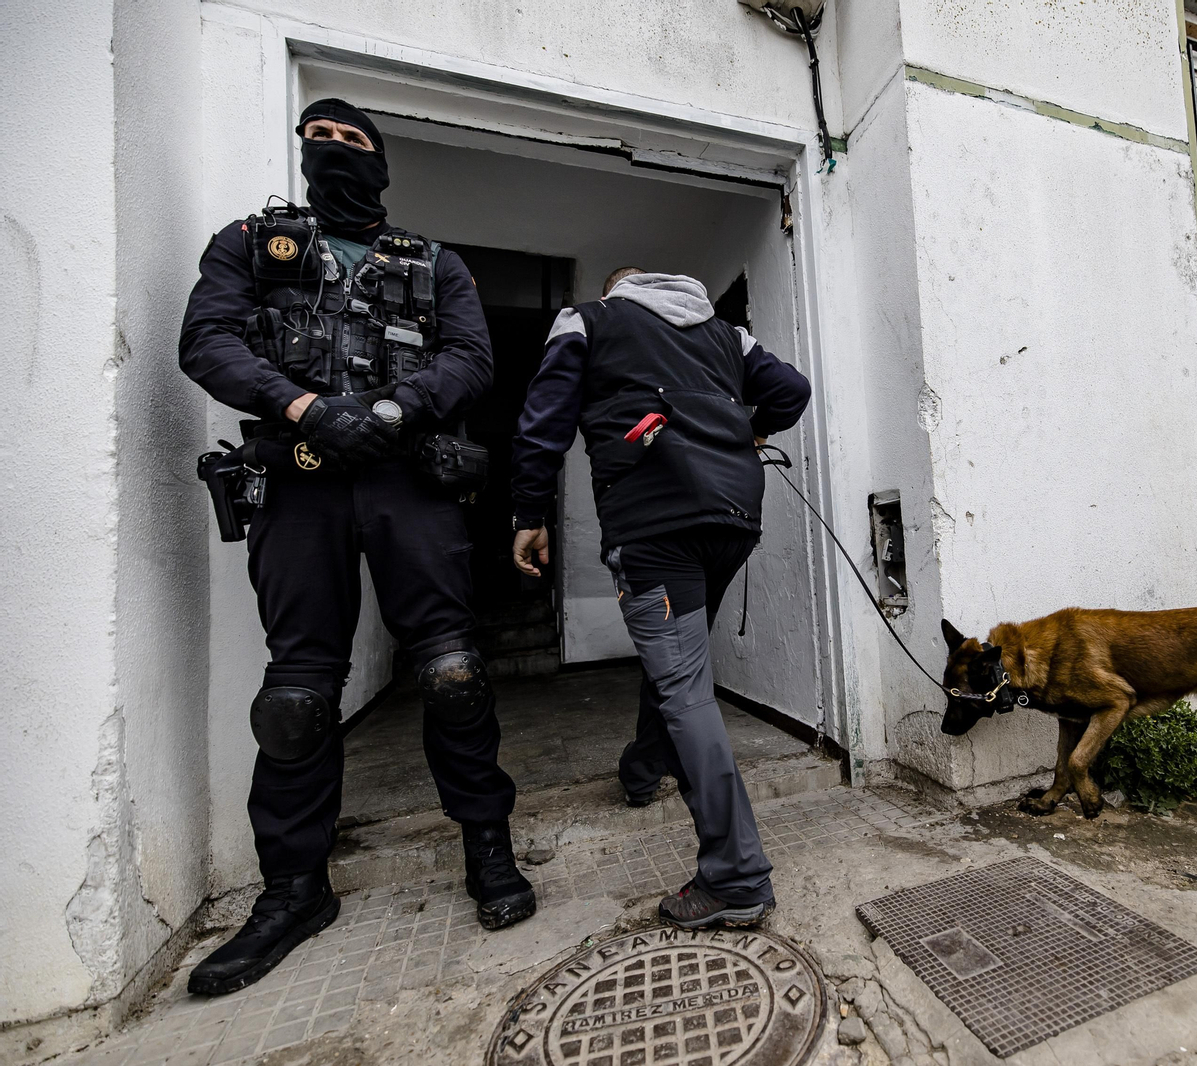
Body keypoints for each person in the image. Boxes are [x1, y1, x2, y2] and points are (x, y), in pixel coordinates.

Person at [178, 98, 534, 996]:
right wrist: (305, 408)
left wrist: (388, 411)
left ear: (380, 160)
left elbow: (471, 358)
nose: (332, 149)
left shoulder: (433, 261)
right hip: (298, 478)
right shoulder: (253, 244)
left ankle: (487, 845)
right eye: (319, 137)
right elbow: (205, 341)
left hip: (407, 478)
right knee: (298, 692)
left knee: (452, 671)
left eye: (352, 140)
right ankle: (294, 890)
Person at [510, 267, 810, 928]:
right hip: (733, 520)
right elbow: (792, 391)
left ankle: (734, 878)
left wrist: (528, 513)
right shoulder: (726, 334)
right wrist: (749, 436)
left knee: (685, 688)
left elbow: (543, 425)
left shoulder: (589, 320)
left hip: (654, 524)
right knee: (680, 662)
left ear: (618, 289)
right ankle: (644, 767)